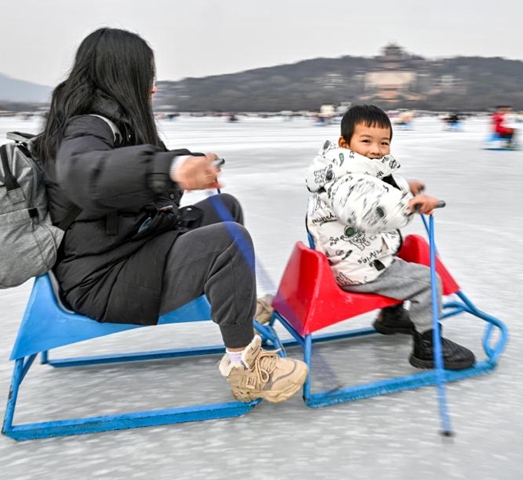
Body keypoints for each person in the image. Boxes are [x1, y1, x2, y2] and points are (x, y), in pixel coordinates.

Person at [33, 27, 307, 403]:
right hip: (102, 278)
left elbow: (137, 183)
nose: (154, 88)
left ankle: (235, 308)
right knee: (227, 240)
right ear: (123, 74)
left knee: (223, 209)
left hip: (128, 249)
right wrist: (171, 168)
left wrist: (186, 167)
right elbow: (86, 174)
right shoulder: (86, 125)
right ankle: (245, 365)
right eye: (149, 76)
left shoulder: (116, 122)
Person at [305, 105, 475, 370]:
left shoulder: (344, 169)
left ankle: (392, 315)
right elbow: (369, 208)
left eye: (384, 143)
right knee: (427, 281)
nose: (376, 150)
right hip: (360, 269)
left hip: (357, 259)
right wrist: (409, 205)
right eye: (366, 141)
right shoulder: (345, 183)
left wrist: (406, 187)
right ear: (344, 142)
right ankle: (428, 346)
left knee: (406, 260)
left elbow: (377, 185)